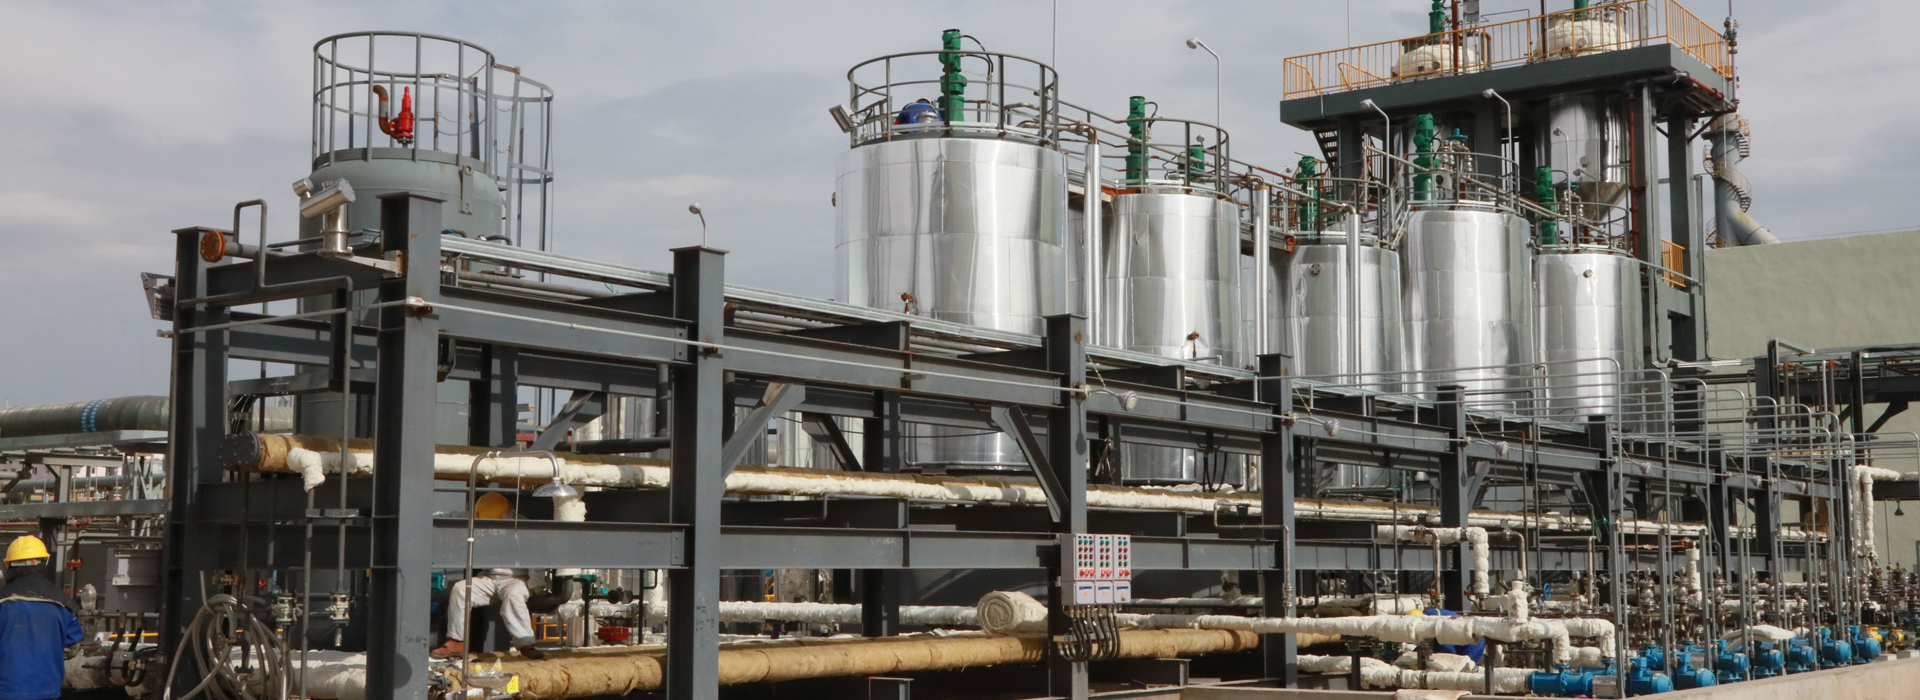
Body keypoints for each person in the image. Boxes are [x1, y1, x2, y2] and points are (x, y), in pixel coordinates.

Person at [431, 493, 546, 660]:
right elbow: (453, 517)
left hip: (516, 577)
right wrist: (428, 516)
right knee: (460, 589)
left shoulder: (521, 525)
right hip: (489, 577)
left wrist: (537, 583)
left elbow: (536, 554)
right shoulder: (479, 516)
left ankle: (525, 644)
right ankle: (457, 641)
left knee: (513, 596)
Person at [0, 535, 83, 700]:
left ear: (9, 565)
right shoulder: (64, 603)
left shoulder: (2, 601)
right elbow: (72, 647)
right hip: (47, 690)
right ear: (44, 562)